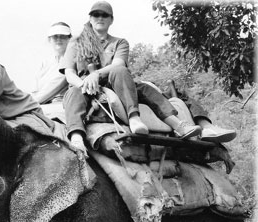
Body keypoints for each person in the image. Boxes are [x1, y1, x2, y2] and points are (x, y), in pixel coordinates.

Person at [60, 1, 235, 154]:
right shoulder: (76, 42)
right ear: (90, 18)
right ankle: (76, 137)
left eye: (104, 15)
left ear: (111, 19)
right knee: (73, 93)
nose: (100, 18)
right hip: (83, 84)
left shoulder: (119, 42)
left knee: (139, 84)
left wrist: (96, 74)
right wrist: (86, 83)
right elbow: (69, 73)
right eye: (95, 14)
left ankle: (167, 123)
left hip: (115, 82)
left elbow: (119, 64)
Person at [32, 22, 72, 104]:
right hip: (39, 104)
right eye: (55, 36)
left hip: (59, 106)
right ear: (49, 39)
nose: (59, 39)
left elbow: (49, 91)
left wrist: (26, 104)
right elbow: (35, 90)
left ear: (70, 39)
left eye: (63, 36)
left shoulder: (70, 62)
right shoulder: (45, 63)